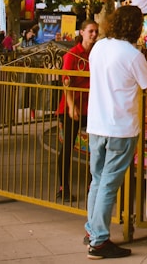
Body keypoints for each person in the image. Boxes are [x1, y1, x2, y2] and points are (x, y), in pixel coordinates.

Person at [84, 5, 147, 259]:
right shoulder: (131, 54)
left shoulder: (99, 47)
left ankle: (92, 230)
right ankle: (99, 241)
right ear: (136, 28)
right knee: (108, 184)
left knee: (98, 179)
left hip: (97, 124)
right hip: (120, 127)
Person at [57, 20, 97, 201]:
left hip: (92, 107)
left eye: (96, 32)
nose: (94, 35)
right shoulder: (73, 55)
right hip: (73, 106)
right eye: (91, 31)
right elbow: (66, 81)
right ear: (82, 32)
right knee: (67, 147)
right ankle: (63, 187)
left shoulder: (97, 54)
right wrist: (72, 106)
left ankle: (92, 186)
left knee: (96, 148)